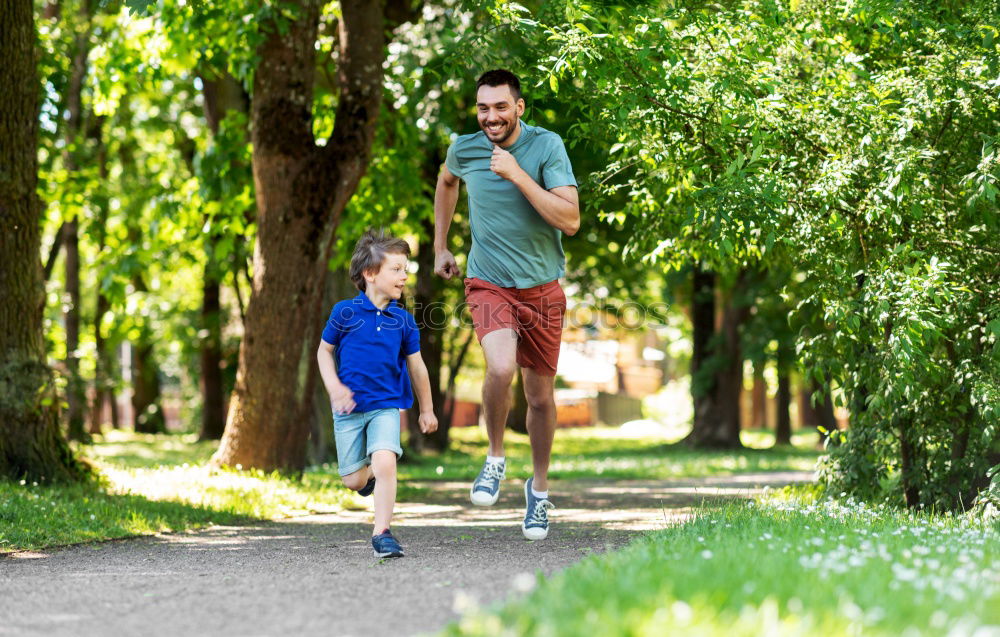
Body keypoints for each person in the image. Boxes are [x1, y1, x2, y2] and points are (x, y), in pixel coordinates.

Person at [433, 69, 580, 540]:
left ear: (519, 108)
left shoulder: (546, 146)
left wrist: (517, 174)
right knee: (499, 368)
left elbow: (570, 220)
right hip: (487, 281)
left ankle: (538, 492)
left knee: (539, 399)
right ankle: (494, 457)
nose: (490, 117)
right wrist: (441, 246)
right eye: (483, 108)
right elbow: (447, 182)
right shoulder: (465, 147)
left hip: (542, 288)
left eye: (500, 107)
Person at [317, 229, 438, 558]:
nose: (404, 276)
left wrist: (426, 409)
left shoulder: (404, 321)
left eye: (406, 269)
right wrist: (335, 388)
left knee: (386, 462)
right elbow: (323, 352)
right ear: (370, 274)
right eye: (396, 269)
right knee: (353, 481)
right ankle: (366, 477)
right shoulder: (345, 312)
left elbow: (417, 367)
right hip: (349, 411)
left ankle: (382, 533)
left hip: (386, 406)